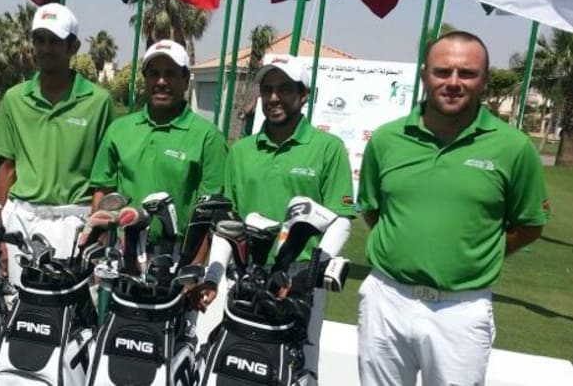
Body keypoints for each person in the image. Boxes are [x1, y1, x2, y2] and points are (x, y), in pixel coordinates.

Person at [357, 32, 548, 386]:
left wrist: (476, 254)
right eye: (443, 72)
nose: (453, 83)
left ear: (485, 79)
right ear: (425, 74)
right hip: (386, 300)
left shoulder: (514, 148)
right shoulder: (386, 140)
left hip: (462, 309)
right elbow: (373, 210)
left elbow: (530, 224)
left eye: (467, 73)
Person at [217, 55, 356, 382]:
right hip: (248, 273)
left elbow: (342, 219)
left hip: (300, 276)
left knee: (299, 365)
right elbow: (230, 219)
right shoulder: (242, 150)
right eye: (267, 90)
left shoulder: (328, 148)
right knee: (241, 363)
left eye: (284, 89)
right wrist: (218, 273)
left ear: (304, 94)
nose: (274, 98)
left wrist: (311, 273)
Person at [0, 2, 113, 286]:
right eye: (40, 40)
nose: (45, 48)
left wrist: (98, 229)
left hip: (73, 219)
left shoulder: (98, 101)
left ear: (73, 47)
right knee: (18, 307)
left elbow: (104, 176)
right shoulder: (14, 98)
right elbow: (6, 167)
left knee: (67, 315)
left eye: (55, 41)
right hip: (21, 216)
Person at [89, 39, 227, 240]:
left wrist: (193, 266)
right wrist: (102, 254)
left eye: (170, 74)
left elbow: (210, 214)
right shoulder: (118, 130)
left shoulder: (208, 137)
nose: (161, 82)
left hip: (176, 254)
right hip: (123, 249)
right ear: (145, 79)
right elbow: (102, 195)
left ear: (186, 79)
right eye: (154, 74)